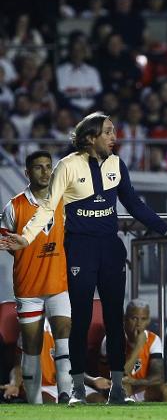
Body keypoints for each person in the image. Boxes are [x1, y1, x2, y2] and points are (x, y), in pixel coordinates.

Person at [0, 112, 167, 406]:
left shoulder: (116, 164)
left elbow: (134, 203)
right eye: (108, 132)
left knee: (113, 317)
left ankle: (118, 389)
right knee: (80, 319)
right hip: (80, 249)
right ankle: (78, 390)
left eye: (114, 132)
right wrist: (27, 237)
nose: (114, 137)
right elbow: (47, 207)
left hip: (110, 249)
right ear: (90, 137)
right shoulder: (67, 166)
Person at [0, 150, 71, 404]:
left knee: (63, 334)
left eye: (48, 166)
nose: (45, 171)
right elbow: (6, 241)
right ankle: (35, 403)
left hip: (58, 283)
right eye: (38, 167)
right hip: (28, 288)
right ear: (27, 173)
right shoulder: (15, 206)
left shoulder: (63, 199)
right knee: (31, 346)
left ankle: (66, 394)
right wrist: (26, 257)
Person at [1, 318, 106, 403]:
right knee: (54, 404)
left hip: (66, 384)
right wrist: (14, 384)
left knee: (98, 400)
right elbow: (19, 366)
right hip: (39, 386)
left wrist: (93, 380)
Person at [100, 299, 167, 402]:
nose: (138, 324)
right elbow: (120, 375)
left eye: (143, 319)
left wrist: (135, 382)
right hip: (113, 390)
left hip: (141, 388)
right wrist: (139, 346)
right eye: (134, 318)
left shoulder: (154, 340)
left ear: (148, 321)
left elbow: (158, 377)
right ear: (125, 319)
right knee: (124, 386)